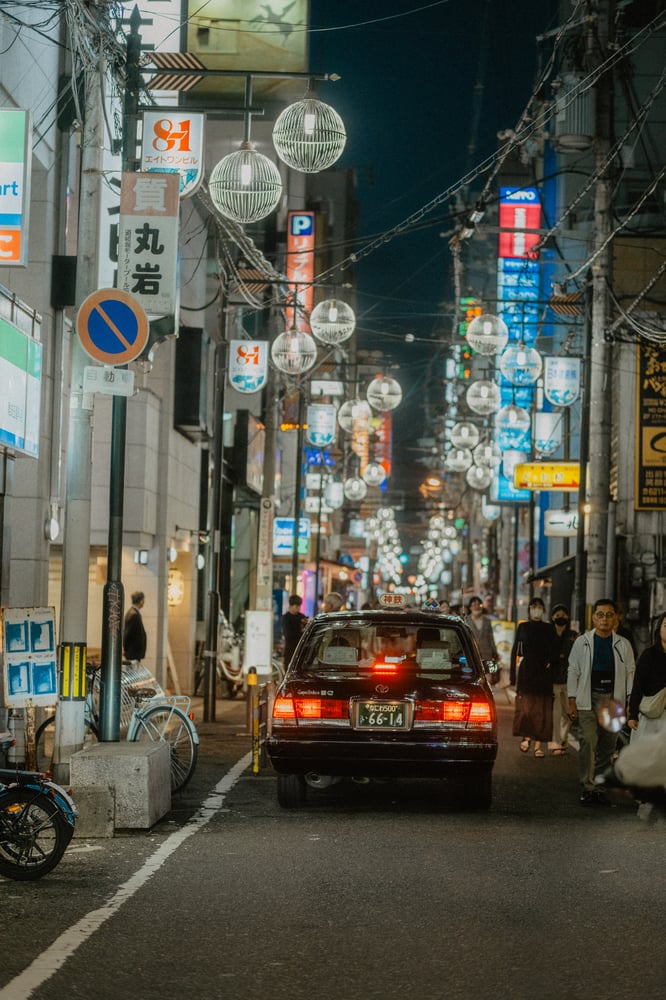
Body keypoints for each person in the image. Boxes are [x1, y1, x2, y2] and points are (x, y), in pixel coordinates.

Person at [567, 597, 635, 806]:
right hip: (588, 697)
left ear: (615, 619)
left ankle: (599, 789)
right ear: (593, 617)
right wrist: (572, 700)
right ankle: (587, 788)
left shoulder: (623, 644)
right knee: (588, 741)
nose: (604, 619)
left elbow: (631, 673)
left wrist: (630, 700)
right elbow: (573, 671)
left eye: (609, 615)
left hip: (613, 700)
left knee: (608, 745)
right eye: (600, 615)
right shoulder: (582, 642)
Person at [511, 597, 558, 758]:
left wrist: (551, 663)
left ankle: (538, 745)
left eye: (539, 607)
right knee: (527, 707)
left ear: (544, 610)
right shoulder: (523, 626)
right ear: (529, 609)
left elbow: (555, 651)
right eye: (534, 607)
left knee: (542, 709)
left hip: (543, 672)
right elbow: (515, 650)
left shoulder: (549, 628)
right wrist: (512, 675)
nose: (536, 609)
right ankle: (527, 737)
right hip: (527, 671)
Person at [548, 604, 578, 756]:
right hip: (552, 678)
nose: (560, 617)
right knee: (555, 713)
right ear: (552, 617)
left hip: (569, 679)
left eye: (564, 614)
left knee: (568, 713)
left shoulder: (573, 635)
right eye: (557, 614)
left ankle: (563, 740)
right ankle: (557, 742)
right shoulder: (548, 633)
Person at [466, 595, 500, 684]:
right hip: (471, 654)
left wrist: (495, 652)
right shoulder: (466, 621)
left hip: (487, 654)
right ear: (470, 607)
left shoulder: (487, 621)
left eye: (479, 604)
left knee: (488, 679)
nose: (477, 607)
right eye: (474, 605)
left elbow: (491, 637)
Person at [281, 594, 308, 670]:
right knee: (289, 669)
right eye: (296, 606)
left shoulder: (301, 616)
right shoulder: (286, 618)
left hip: (301, 649)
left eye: (299, 606)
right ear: (291, 606)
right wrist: (301, 631)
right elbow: (288, 634)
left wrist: (305, 623)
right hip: (290, 649)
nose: (298, 609)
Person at [123, 591, 147, 662]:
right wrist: (125, 648)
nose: (144, 602)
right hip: (133, 652)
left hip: (133, 651)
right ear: (140, 601)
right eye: (143, 600)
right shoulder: (134, 614)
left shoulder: (133, 612)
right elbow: (129, 633)